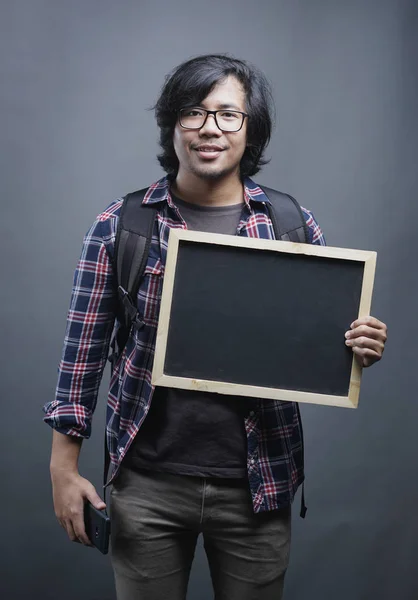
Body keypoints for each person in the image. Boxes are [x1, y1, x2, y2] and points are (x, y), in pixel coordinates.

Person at [44, 54, 387, 600]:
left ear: (250, 130)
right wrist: (64, 469)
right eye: (193, 112)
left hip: (258, 484)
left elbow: (322, 335)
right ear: (172, 124)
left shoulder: (289, 224)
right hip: (147, 484)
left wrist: (357, 345)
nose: (210, 128)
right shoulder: (123, 225)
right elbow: (80, 355)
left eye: (229, 115)